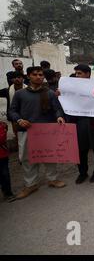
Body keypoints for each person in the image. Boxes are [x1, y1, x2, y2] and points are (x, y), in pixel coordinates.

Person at [9, 66, 66, 200]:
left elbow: (57, 109)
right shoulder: (20, 94)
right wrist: (19, 120)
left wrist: (59, 116)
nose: (39, 77)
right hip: (27, 131)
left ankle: (52, 179)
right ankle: (31, 184)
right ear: (28, 76)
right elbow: (12, 111)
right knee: (28, 159)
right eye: (35, 74)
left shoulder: (50, 93)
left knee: (50, 156)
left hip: (46, 131)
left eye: (41, 75)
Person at [68, 64, 94, 184]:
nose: (77, 75)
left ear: (87, 74)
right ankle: (82, 173)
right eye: (76, 73)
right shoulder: (72, 87)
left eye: (79, 73)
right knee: (81, 149)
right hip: (79, 122)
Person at [0, 121, 15, 202]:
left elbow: (1, 139)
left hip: (2, 155)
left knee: (5, 174)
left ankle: (8, 193)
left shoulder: (2, 125)